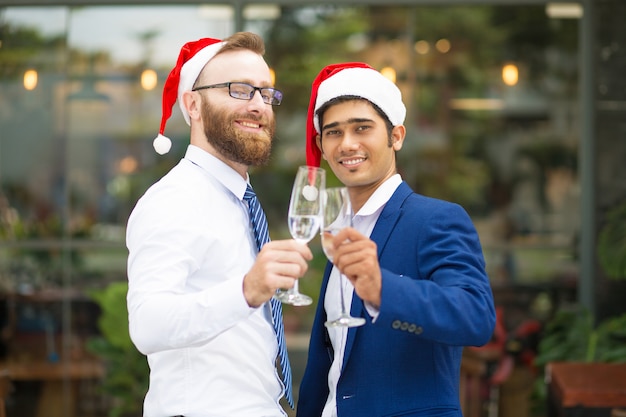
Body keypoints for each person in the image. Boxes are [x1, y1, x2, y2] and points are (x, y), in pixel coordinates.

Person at [126, 32, 312, 417]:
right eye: (240, 90)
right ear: (192, 104)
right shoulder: (174, 199)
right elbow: (147, 325)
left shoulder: (239, 199)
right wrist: (246, 290)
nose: (259, 105)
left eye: (265, 92)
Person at [296, 62, 496, 417]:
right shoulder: (336, 229)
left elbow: (476, 318)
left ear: (396, 136)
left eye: (362, 128)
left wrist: (382, 289)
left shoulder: (436, 219)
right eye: (334, 132)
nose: (348, 144)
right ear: (321, 146)